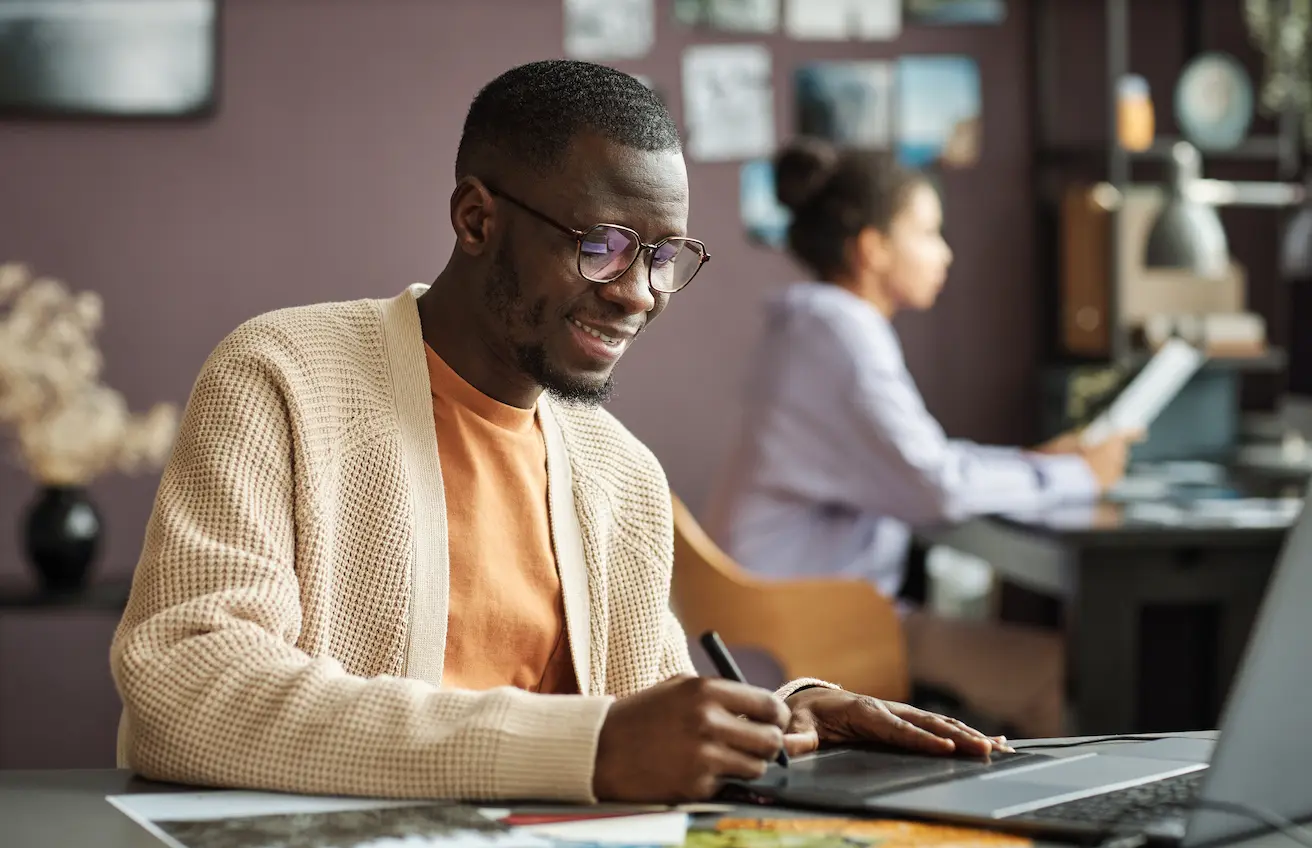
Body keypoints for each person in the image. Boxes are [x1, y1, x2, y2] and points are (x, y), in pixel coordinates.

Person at [110, 62, 1008, 805]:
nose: (639, 293)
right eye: (605, 245)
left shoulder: (620, 474)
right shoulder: (283, 378)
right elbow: (185, 686)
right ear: (475, 219)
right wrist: (584, 745)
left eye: (663, 257)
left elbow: (637, 715)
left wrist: (791, 714)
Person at [705, 139, 1137, 739]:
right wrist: (1080, 475)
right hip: (810, 633)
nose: (946, 253)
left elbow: (917, 461)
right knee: (1054, 669)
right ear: (873, 249)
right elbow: (934, 487)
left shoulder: (808, 326)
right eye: (929, 233)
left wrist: (1026, 461)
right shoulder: (843, 337)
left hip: (773, 617)